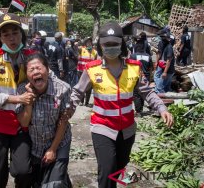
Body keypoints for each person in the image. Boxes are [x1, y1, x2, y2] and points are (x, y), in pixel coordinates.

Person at [70, 21, 173, 188]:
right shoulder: (92, 69)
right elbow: (77, 93)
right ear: (100, 46)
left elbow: (147, 92)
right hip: (102, 127)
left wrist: (161, 108)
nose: (110, 47)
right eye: (106, 44)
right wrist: (65, 111)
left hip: (127, 129)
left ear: (121, 45)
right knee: (107, 167)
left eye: (114, 44)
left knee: (119, 167)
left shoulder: (134, 68)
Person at [0, 13, 35, 188]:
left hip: (22, 123)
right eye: (6, 34)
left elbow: (47, 79)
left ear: (22, 34)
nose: (11, 38)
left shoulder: (31, 56)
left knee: (24, 171)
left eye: (15, 32)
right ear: (0, 37)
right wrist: (18, 98)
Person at [16, 53, 73, 188]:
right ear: (28, 75)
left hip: (59, 143)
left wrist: (53, 149)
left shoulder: (63, 89)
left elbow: (63, 122)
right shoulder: (22, 90)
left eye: (39, 68)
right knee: (35, 181)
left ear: (47, 70)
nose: (36, 72)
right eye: (31, 70)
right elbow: (24, 123)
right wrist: (29, 100)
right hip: (35, 145)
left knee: (54, 185)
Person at [130, 36, 153, 113]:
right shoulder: (148, 56)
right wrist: (149, 79)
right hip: (146, 77)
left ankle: (138, 110)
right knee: (143, 93)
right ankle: (141, 109)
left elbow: (130, 68)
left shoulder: (133, 56)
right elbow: (151, 69)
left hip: (136, 77)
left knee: (136, 94)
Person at [77, 37, 98, 106]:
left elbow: (96, 62)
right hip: (81, 71)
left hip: (90, 72)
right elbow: (75, 46)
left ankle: (87, 102)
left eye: (90, 42)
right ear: (85, 43)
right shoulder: (81, 49)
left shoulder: (95, 52)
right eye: (87, 42)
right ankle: (81, 101)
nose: (89, 44)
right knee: (82, 86)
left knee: (89, 87)